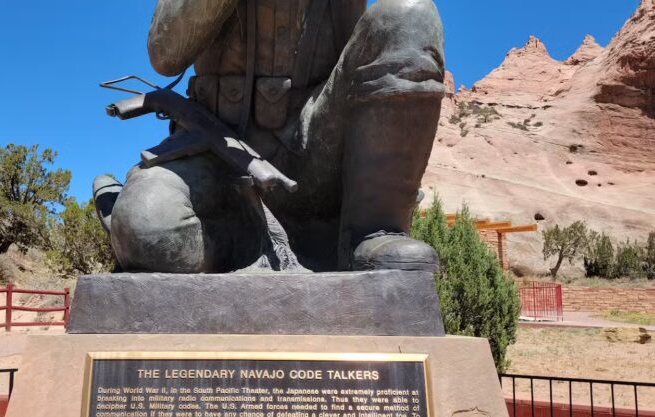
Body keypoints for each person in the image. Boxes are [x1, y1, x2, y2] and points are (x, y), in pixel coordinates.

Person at [94, 0, 446, 273]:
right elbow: (165, 54)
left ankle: (372, 235)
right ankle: (246, 243)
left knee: (409, 15)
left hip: (316, 149)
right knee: (146, 228)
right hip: (214, 153)